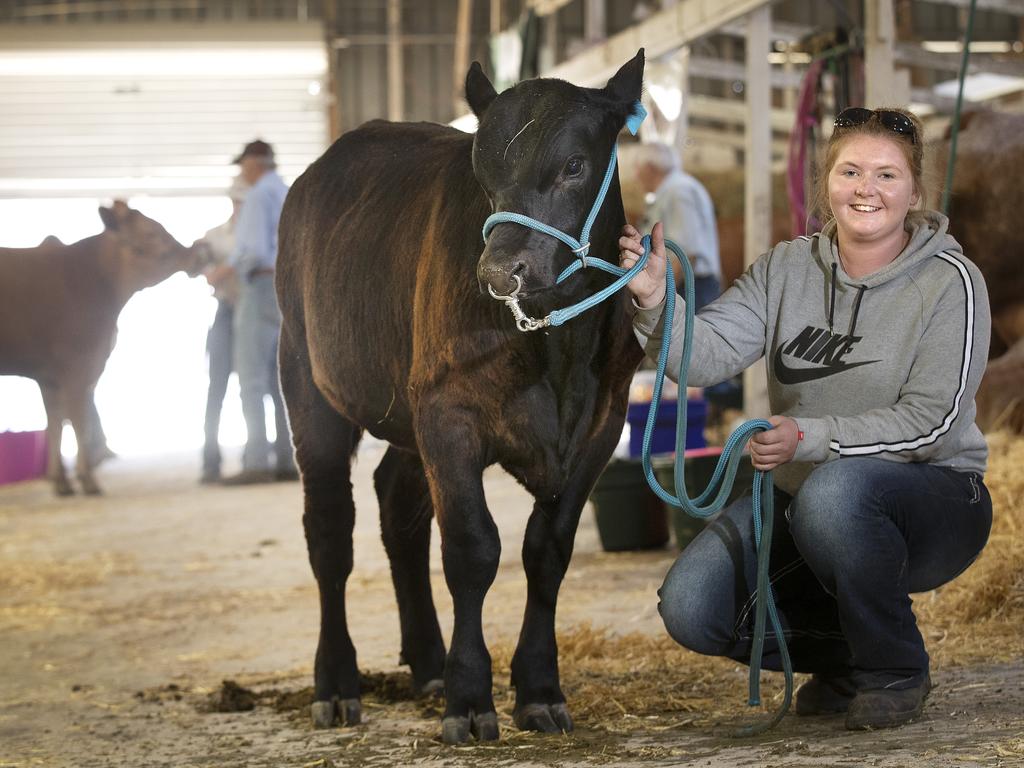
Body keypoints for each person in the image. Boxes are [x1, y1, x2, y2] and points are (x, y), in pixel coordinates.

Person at [619, 107, 992, 730]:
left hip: (937, 498)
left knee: (834, 490)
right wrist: (659, 301)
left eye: (886, 175)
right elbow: (705, 354)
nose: (866, 190)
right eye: (850, 172)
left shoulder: (950, 281)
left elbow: (936, 420)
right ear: (826, 185)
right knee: (692, 606)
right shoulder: (787, 268)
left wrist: (809, 437)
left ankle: (894, 667)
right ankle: (848, 655)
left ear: (915, 192)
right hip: (812, 500)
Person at [220, 140, 297, 485]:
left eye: (242, 166)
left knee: (250, 380)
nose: (241, 172)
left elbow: (251, 250)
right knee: (278, 380)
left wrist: (227, 268)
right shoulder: (287, 191)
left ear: (253, 163)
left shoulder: (256, 196)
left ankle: (256, 462)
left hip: (260, 285)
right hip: (286, 289)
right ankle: (284, 458)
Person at [196, 175, 249, 483]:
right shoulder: (214, 236)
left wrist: (227, 268)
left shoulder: (260, 235)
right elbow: (201, 268)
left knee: (254, 388)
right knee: (216, 389)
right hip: (226, 312)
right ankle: (210, 461)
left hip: (251, 313)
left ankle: (253, 455)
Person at [633, 141, 722, 311]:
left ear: (650, 168)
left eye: (638, 169)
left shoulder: (678, 192)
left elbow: (686, 254)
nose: (636, 176)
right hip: (687, 286)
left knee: (685, 337)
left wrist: (659, 296)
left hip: (689, 289)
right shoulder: (673, 191)